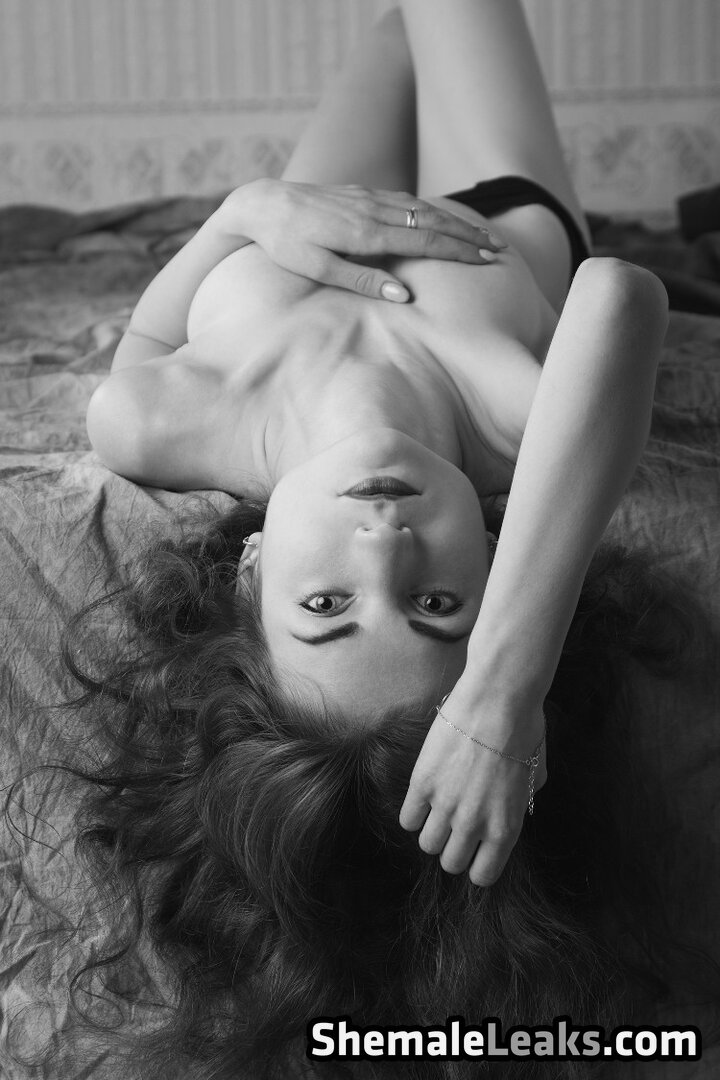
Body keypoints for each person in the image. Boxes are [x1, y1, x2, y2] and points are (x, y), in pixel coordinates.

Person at [75, 3, 673, 1075]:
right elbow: (620, 296)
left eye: (327, 606)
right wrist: (504, 690)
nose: (385, 546)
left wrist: (249, 212)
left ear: (252, 572)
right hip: (498, 209)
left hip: (307, 220)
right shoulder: (512, 426)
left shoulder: (161, 424)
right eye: (438, 604)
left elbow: (156, 334)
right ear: (496, 568)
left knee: (399, 29)